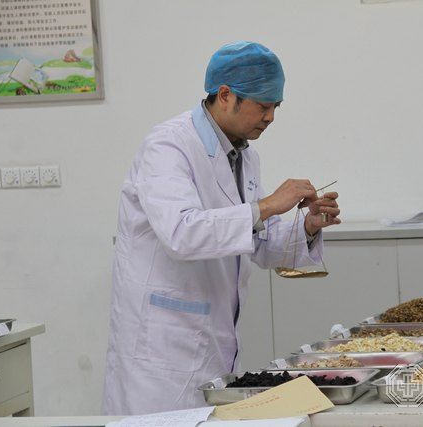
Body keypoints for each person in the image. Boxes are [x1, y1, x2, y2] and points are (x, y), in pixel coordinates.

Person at [102, 41, 341, 415]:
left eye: (276, 107)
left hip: (212, 337)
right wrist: (267, 205)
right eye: (262, 106)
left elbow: (256, 241)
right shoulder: (168, 146)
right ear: (226, 95)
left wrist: (307, 226)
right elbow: (181, 233)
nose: (270, 117)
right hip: (162, 344)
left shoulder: (244, 155)